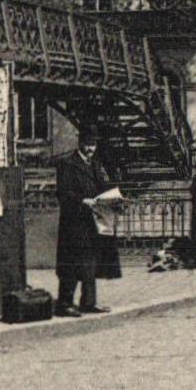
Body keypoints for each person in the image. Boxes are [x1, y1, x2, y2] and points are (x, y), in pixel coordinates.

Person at [55, 127, 114, 317]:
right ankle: (64, 304)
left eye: (93, 145)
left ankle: (89, 302)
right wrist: (82, 200)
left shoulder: (96, 164)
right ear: (80, 143)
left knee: (90, 262)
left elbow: (104, 186)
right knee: (70, 263)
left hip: (93, 220)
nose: (91, 149)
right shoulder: (68, 163)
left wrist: (114, 198)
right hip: (74, 222)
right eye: (88, 144)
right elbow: (63, 193)